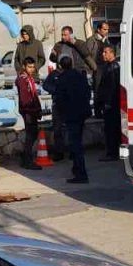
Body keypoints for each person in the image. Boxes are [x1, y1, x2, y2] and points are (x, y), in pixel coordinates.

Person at [54, 54, 92, 184]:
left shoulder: (62, 79)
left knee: (75, 144)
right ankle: (76, 169)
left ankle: (81, 173)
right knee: (78, 142)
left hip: (71, 115)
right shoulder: (80, 76)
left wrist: (63, 113)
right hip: (82, 113)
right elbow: (87, 92)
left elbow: (59, 99)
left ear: (61, 66)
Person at [93, 43, 122, 161]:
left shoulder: (113, 67)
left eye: (105, 52)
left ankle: (112, 153)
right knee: (110, 128)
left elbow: (113, 87)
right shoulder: (108, 66)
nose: (103, 54)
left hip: (112, 104)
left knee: (111, 129)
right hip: (109, 103)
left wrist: (108, 102)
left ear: (112, 53)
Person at [15, 56, 43, 170]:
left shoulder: (29, 78)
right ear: (24, 67)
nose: (31, 69)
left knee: (33, 134)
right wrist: (31, 109)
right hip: (28, 111)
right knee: (31, 135)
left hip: (32, 110)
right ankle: (27, 160)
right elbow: (25, 98)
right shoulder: (23, 80)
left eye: (33, 67)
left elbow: (34, 95)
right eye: (29, 67)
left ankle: (25, 157)